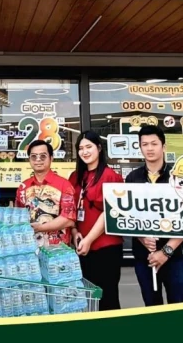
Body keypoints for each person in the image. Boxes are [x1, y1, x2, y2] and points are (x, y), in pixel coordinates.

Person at [125, 124, 183, 305]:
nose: (149, 148)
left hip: (175, 256)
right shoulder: (132, 178)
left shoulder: (180, 177)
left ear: (164, 146)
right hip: (145, 256)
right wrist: (142, 238)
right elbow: (127, 217)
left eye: (154, 144)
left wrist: (166, 251)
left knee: (178, 304)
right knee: (151, 304)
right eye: (145, 144)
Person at [68, 131, 123, 310]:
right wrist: (74, 232)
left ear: (99, 148)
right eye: (80, 148)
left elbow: (110, 212)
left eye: (89, 147)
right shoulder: (75, 177)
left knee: (107, 297)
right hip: (82, 246)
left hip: (106, 247)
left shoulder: (110, 176)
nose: (84, 152)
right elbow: (70, 209)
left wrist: (89, 239)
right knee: (88, 298)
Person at [15, 139, 76, 247]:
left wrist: (40, 228)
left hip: (58, 249)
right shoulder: (23, 187)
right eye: (34, 156)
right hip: (30, 248)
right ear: (29, 159)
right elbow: (18, 216)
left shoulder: (64, 185)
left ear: (51, 158)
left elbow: (68, 219)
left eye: (43, 156)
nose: (38, 160)